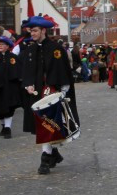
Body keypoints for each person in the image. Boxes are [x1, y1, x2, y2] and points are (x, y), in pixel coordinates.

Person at [21, 16, 76, 174]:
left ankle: (45, 159)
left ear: (43, 30)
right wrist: (28, 84)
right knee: (43, 126)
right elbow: (26, 71)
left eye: (35, 30)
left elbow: (62, 70)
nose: (33, 33)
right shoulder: (30, 50)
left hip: (51, 93)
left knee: (48, 124)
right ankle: (53, 153)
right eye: (31, 30)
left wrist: (62, 89)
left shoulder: (55, 49)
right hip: (35, 93)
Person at [0, 36, 22, 138]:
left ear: (8, 46)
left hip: (10, 87)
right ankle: (3, 125)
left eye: (3, 44)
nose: (0, 46)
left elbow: (17, 71)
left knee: (10, 108)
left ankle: (8, 128)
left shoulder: (13, 57)